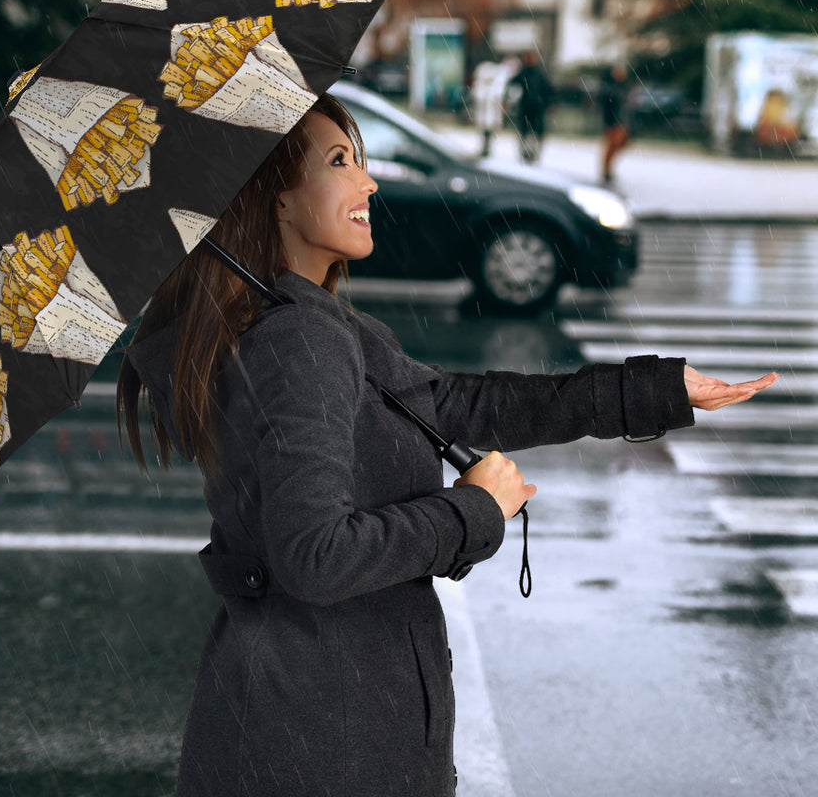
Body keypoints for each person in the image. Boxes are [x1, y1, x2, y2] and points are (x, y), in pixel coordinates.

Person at [117, 93, 777, 797]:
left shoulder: (309, 325)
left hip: (311, 720)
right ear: (274, 200)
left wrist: (654, 391)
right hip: (324, 740)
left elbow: (461, 404)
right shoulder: (297, 341)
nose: (368, 182)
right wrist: (471, 510)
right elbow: (314, 557)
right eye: (340, 162)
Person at [506, 50, 553, 164]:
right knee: (525, 131)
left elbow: (548, 90)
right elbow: (512, 86)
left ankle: (533, 153)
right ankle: (525, 152)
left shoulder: (539, 74)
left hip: (537, 108)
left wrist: (548, 104)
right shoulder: (523, 73)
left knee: (535, 132)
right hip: (526, 107)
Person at [599, 63, 631, 184]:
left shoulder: (621, 86)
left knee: (620, 143)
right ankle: (606, 170)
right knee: (612, 145)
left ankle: (608, 168)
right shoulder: (609, 87)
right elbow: (608, 102)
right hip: (613, 121)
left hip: (621, 120)